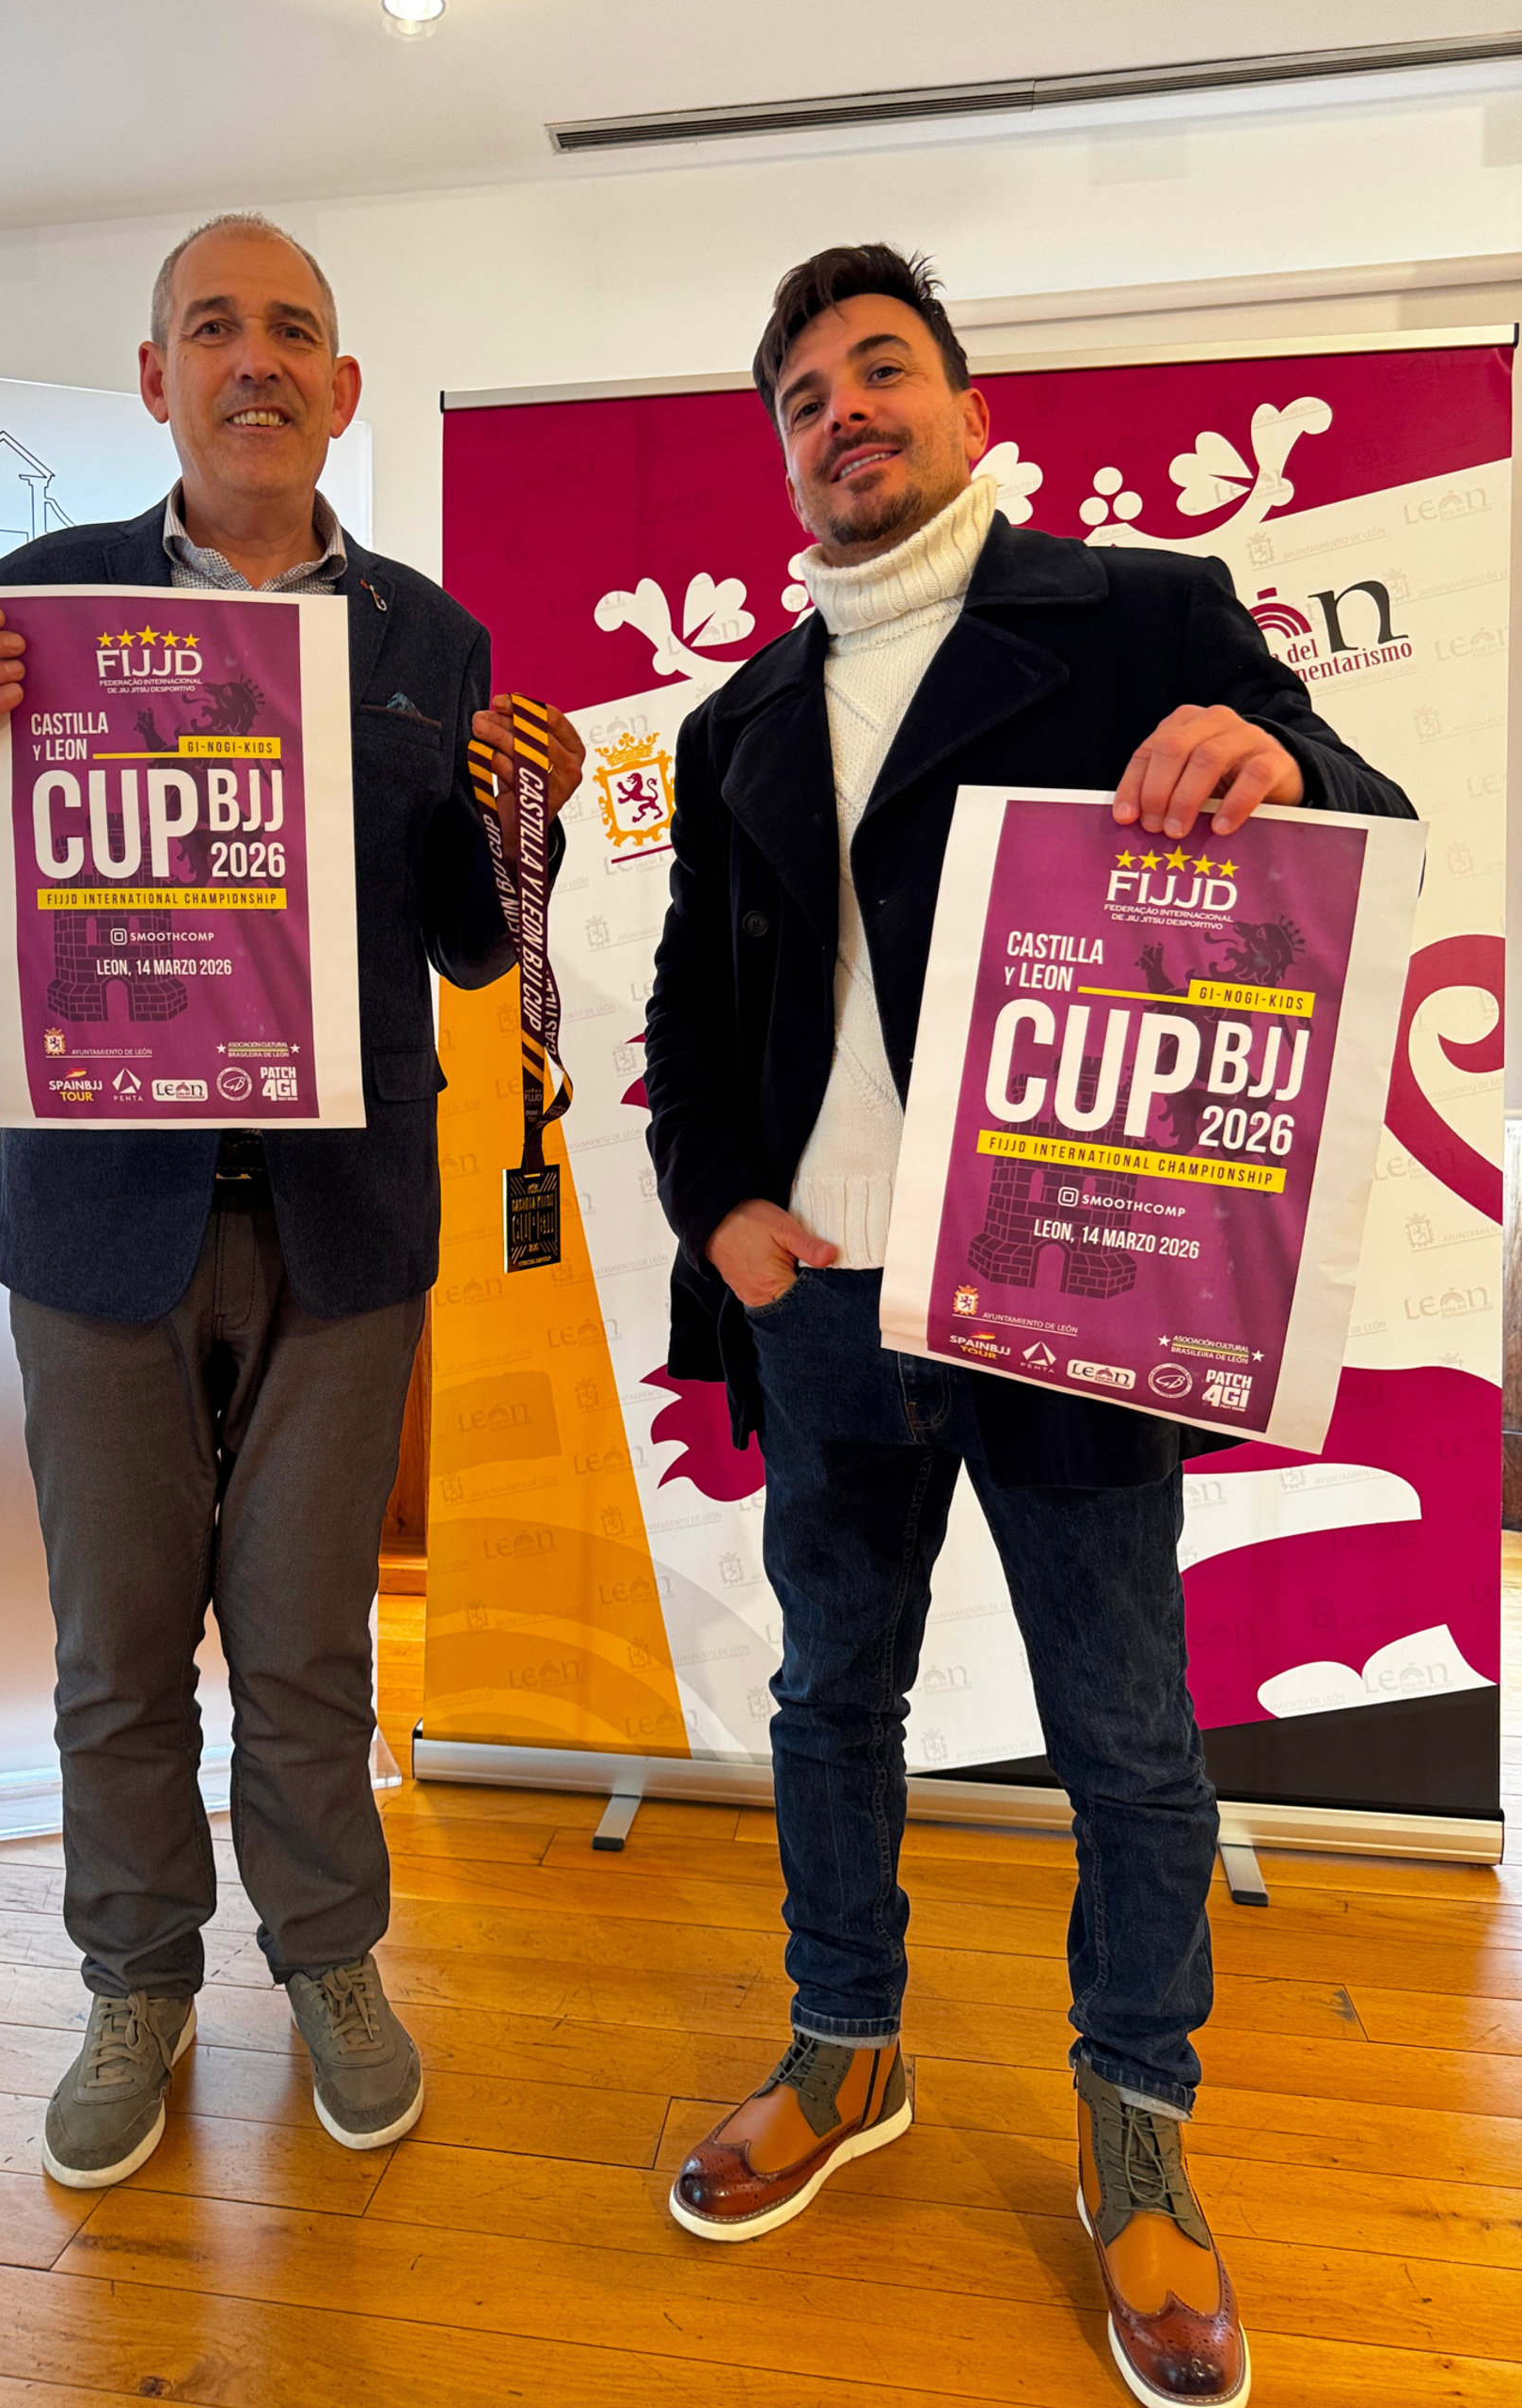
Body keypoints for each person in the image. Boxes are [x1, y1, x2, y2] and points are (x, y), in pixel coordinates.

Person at [644, 244, 1411, 2406]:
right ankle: (847, 2043)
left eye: (881, 368)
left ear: (971, 411)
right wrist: (723, 1208)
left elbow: (1363, 822)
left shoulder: (1143, 616)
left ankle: (1139, 2127)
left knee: (1129, 1734)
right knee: (829, 1696)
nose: (845, 412)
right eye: (804, 395)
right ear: (786, 455)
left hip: (1069, 1284)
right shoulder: (740, 718)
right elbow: (689, 1009)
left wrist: (1268, 753)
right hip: (824, 1297)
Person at [0, 213, 580, 2192]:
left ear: (343, 390)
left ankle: (331, 1959)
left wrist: (519, 827)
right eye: (214, 327)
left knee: (305, 1644)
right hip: (94, 1220)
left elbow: (467, 949)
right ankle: (137, 1979)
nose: (254, 359)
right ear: (157, 378)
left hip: (343, 1229)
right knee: (115, 1647)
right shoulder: (37, 603)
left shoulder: (430, 639)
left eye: (292, 331)